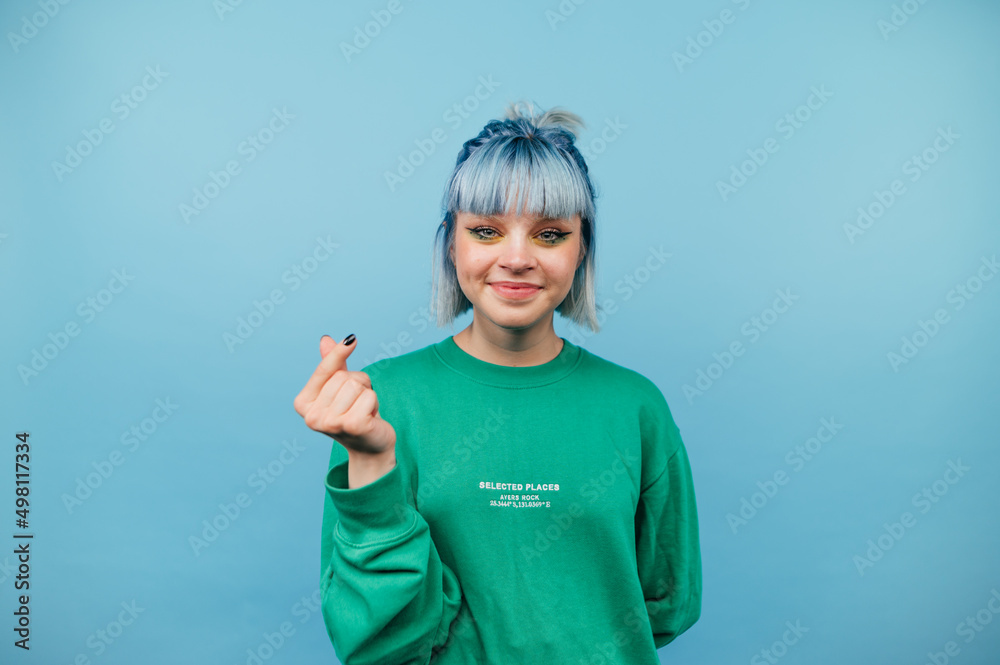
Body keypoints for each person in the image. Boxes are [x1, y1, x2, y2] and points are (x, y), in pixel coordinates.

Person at [293, 100, 702, 664]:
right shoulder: (376, 404)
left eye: (550, 235)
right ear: (450, 242)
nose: (516, 258)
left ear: (582, 248)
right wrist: (369, 459)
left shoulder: (635, 407)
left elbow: (667, 603)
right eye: (486, 231)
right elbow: (377, 642)